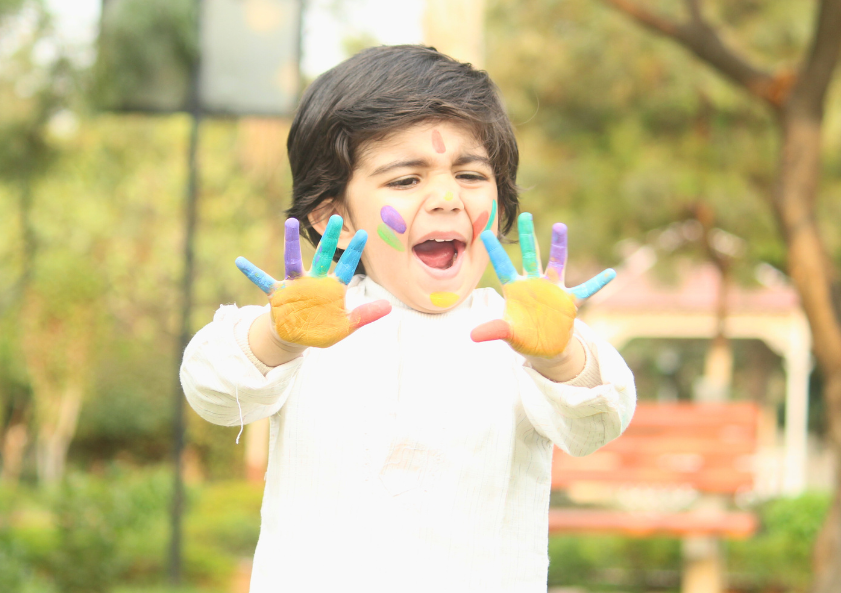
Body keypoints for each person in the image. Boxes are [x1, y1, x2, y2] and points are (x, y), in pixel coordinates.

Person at [180, 45, 636, 592]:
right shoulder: (310, 325)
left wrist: (561, 357)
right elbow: (211, 389)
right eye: (405, 180)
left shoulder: (524, 334)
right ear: (335, 220)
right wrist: (276, 339)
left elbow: (598, 424)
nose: (446, 197)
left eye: (470, 174)